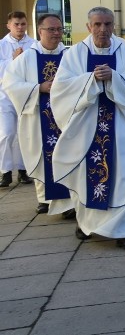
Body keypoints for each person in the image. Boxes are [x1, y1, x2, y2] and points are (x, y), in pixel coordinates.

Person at [50, 6, 125, 251]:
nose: (103, 29)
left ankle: (124, 230)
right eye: (97, 24)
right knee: (85, 174)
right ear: (88, 26)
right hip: (86, 123)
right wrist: (90, 80)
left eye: (107, 24)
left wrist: (114, 77)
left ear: (113, 25)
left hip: (121, 120)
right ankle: (86, 224)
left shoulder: (124, 49)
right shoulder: (75, 54)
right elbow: (61, 89)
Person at [1, 13, 75, 216]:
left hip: (66, 117)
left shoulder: (70, 56)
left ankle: (68, 200)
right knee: (41, 156)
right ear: (40, 31)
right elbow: (10, 84)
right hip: (37, 116)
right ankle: (44, 198)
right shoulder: (27, 58)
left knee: (66, 155)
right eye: (51, 29)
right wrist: (38, 87)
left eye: (60, 29)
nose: (56, 33)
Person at [0, 11, 36, 187]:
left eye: (23, 24)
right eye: (16, 24)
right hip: (5, 96)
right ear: (9, 25)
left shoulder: (34, 44)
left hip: (25, 94)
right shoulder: (2, 45)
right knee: (7, 133)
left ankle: (23, 170)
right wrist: (12, 60)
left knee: (24, 133)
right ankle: (5, 171)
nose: (20, 28)